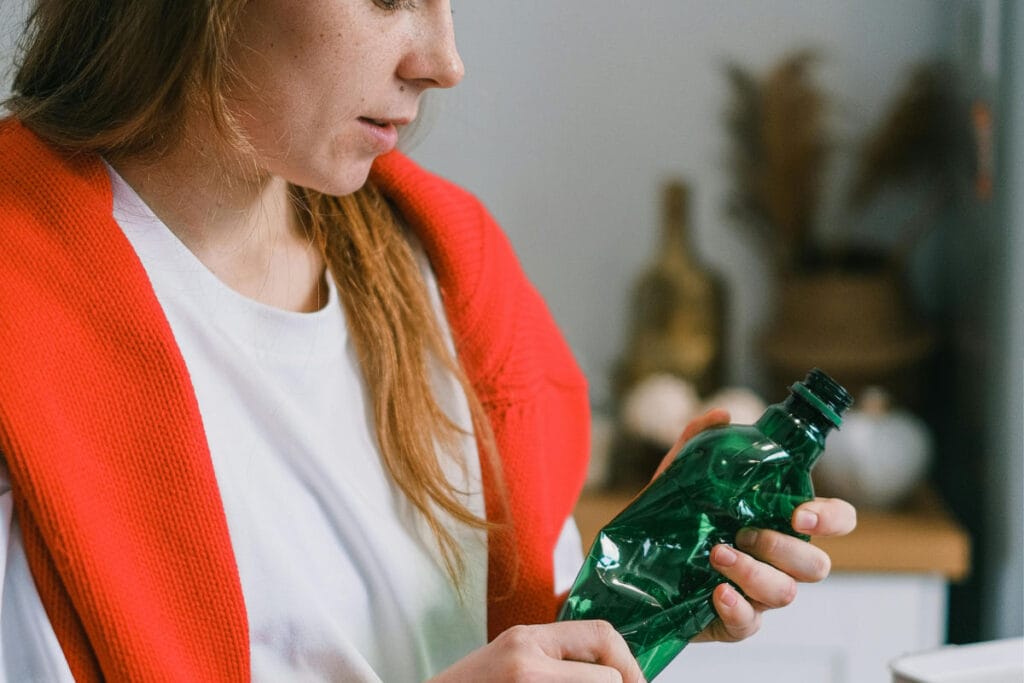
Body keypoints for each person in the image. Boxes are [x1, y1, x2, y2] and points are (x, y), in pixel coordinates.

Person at [0, 1, 857, 681]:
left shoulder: (446, 270)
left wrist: (647, 588)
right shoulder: (22, 320)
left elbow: (511, 639)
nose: (444, 62)